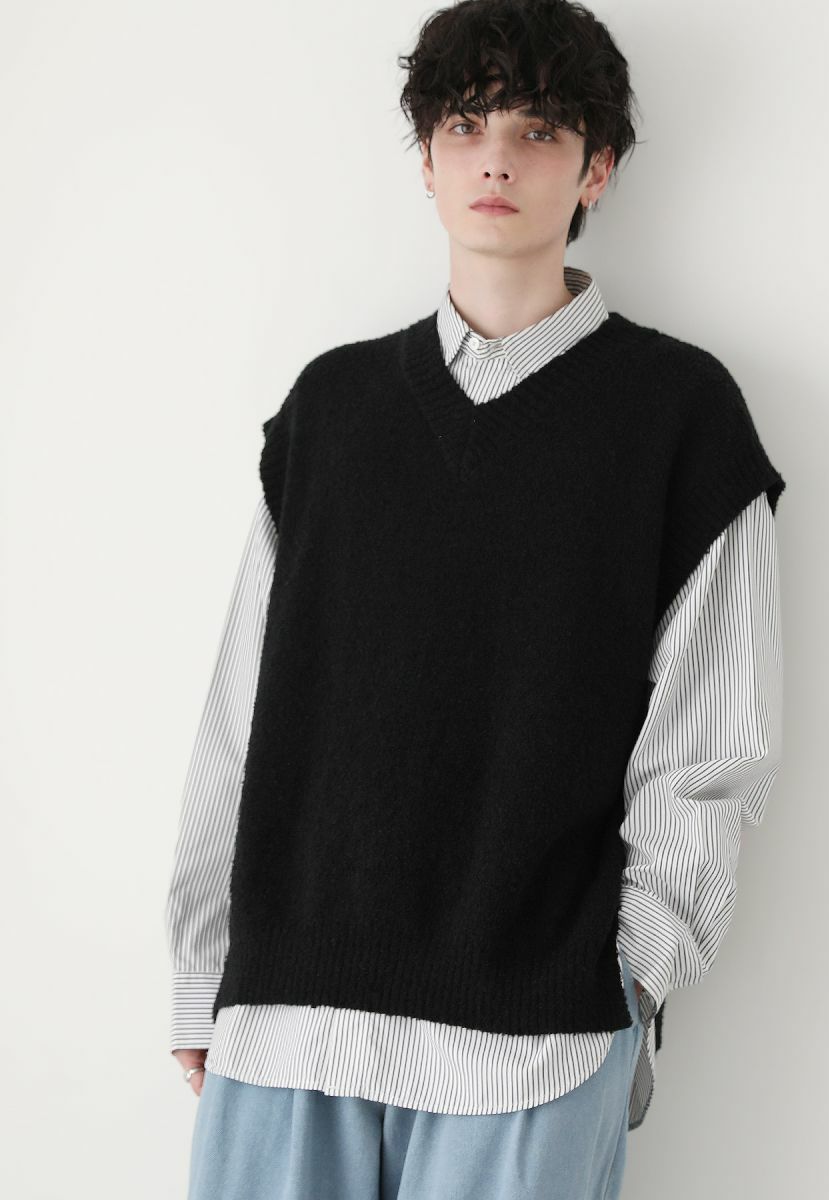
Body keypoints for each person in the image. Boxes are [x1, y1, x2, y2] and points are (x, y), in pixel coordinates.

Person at [165, 1, 787, 1196]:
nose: (494, 158)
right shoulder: (330, 412)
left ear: (596, 168)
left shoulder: (678, 419)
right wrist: (205, 968)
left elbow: (715, 736)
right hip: (290, 1017)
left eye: (537, 129)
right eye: (463, 125)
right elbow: (241, 714)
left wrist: (632, 972)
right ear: (427, 160)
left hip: (536, 1033)